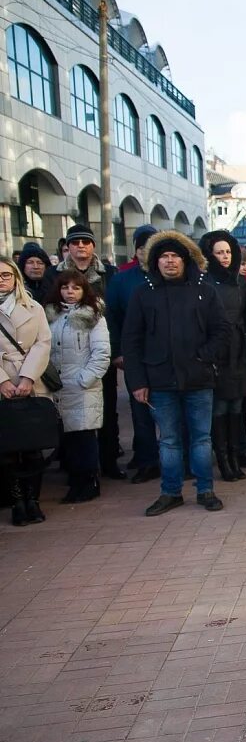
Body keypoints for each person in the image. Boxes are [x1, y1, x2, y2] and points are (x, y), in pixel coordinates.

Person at [121, 231, 230, 517]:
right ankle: (170, 492)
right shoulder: (143, 294)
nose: (169, 262)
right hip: (159, 379)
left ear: (186, 260)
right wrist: (137, 381)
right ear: (155, 263)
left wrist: (204, 355)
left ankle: (205, 490)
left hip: (198, 377)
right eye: (164, 257)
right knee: (168, 439)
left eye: (175, 257)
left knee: (201, 438)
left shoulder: (204, 290)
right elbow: (131, 341)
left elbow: (221, 330)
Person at [58, 223, 123, 480]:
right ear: (69, 247)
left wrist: (116, 350)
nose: (81, 246)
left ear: (93, 245)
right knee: (67, 413)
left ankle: (108, 462)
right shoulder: (57, 274)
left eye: (85, 241)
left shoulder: (110, 274)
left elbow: (116, 315)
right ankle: (74, 467)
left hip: (100, 352)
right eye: (75, 242)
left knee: (107, 410)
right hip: (66, 355)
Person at [44, 272, 110, 503]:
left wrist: (85, 379)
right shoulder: (49, 316)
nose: (70, 292)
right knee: (68, 440)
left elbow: (101, 353)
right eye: (65, 287)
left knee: (84, 437)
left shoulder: (94, 316)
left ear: (84, 291)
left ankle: (89, 482)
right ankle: (76, 481)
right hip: (57, 387)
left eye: (76, 288)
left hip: (83, 387)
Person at [0, 254, 52, 525]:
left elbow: (43, 343)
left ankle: (33, 500)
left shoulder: (34, 307)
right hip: (3, 385)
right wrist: (3, 381)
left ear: (15, 278)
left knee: (33, 446)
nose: (1, 280)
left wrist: (28, 377)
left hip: (32, 382)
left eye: (6, 275)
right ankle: (17, 502)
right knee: (8, 450)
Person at [105, 225, 161, 483]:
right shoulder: (121, 280)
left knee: (172, 412)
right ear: (136, 252)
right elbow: (113, 319)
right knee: (141, 411)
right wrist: (117, 352)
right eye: (143, 249)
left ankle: (179, 460)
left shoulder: (173, 277)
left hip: (168, 358)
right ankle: (148, 461)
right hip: (134, 357)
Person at [199, 231, 246, 482]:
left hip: (238, 351)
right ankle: (223, 461)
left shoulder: (240, 282)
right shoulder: (204, 282)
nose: (224, 257)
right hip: (216, 353)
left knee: (236, 407)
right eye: (219, 252)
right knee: (219, 408)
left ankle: (236, 454)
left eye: (228, 252)